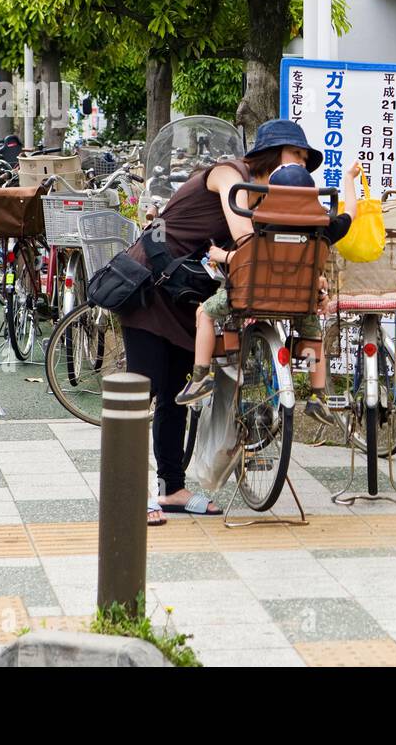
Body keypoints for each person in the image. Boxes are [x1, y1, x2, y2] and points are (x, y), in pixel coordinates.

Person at [122, 120, 327, 525]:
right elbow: (247, 236)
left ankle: (172, 489)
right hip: (151, 282)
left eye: (305, 159)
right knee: (138, 392)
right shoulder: (230, 174)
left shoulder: (269, 197)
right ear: (272, 155)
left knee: (175, 395)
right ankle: (128, 491)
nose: (301, 163)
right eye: (296, 154)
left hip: (187, 293)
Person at [174, 158, 361, 416]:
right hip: (300, 300)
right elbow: (351, 210)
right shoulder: (325, 228)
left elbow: (245, 259)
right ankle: (318, 395)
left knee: (204, 313)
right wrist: (349, 179)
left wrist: (221, 255)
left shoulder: (260, 225)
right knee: (313, 333)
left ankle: (199, 377)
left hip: (253, 294)